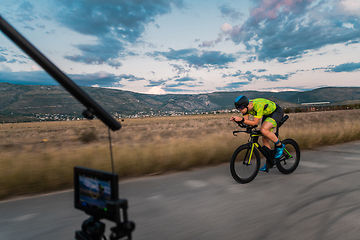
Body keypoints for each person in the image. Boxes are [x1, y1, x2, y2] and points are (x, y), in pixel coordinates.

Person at [230, 95, 285, 172]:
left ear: (246, 105)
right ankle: (269, 161)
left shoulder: (257, 105)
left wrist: (241, 120)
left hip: (276, 112)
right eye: (238, 109)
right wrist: (238, 121)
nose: (240, 110)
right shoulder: (246, 109)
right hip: (267, 114)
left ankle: (280, 146)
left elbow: (255, 122)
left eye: (241, 108)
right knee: (264, 137)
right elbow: (247, 122)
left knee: (263, 130)